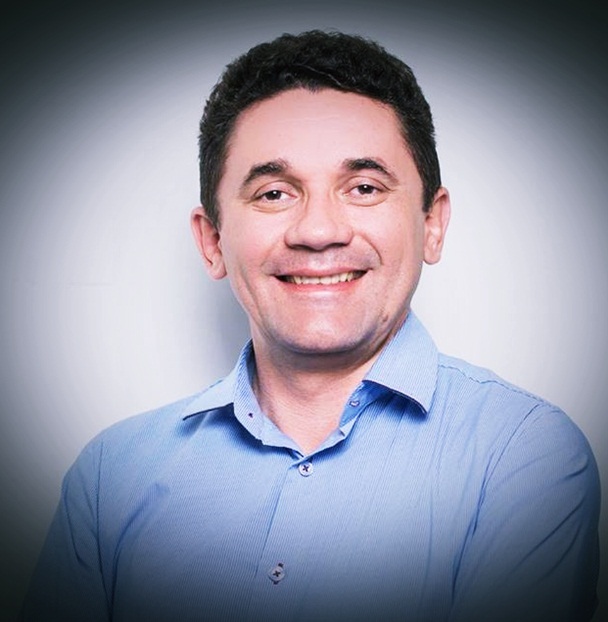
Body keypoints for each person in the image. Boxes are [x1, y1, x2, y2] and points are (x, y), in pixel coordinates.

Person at [21, 30, 600, 622]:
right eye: (274, 193)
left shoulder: (523, 455)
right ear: (213, 240)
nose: (318, 231)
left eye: (364, 188)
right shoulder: (110, 477)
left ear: (432, 224)